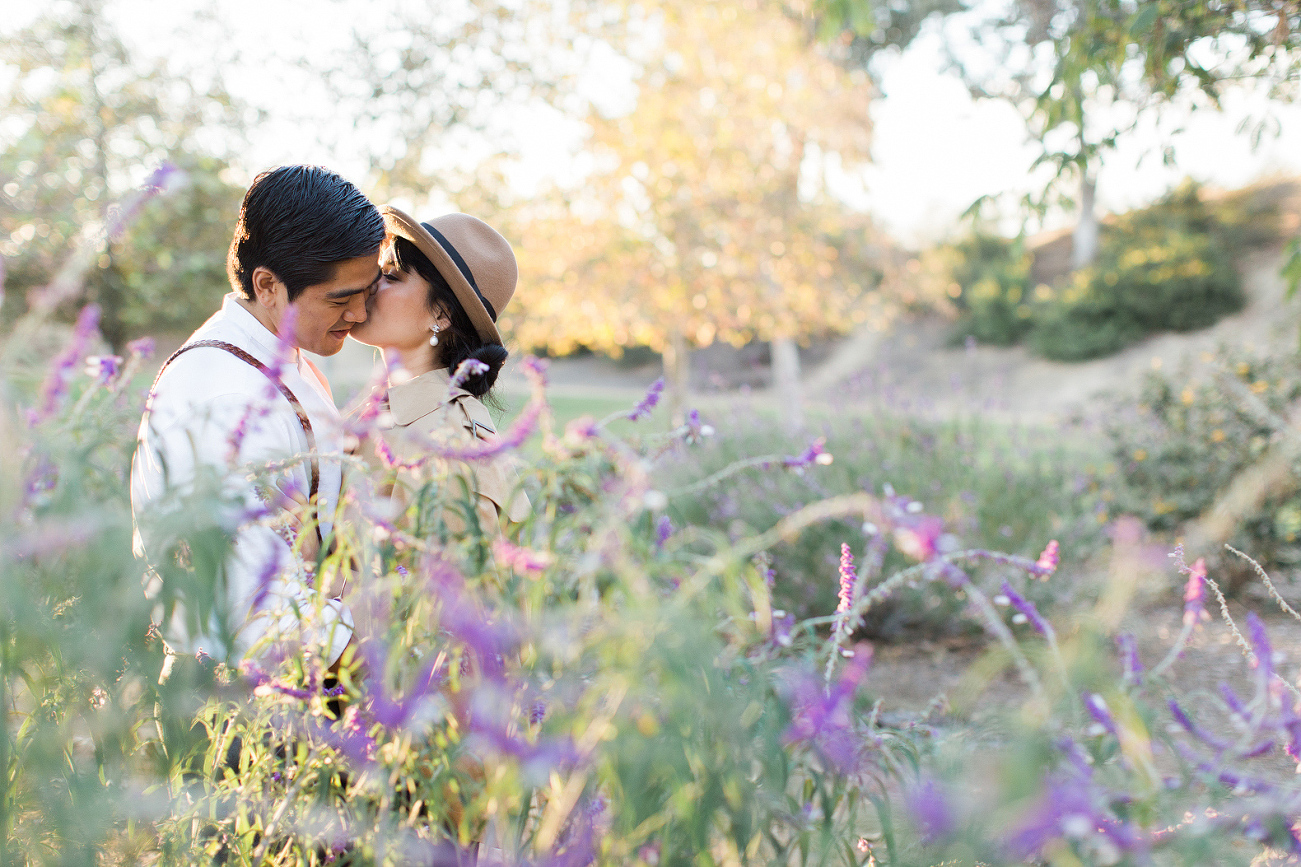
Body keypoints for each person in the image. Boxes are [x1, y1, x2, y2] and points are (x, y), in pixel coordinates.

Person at [131, 165, 385, 669]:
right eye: (341, 298)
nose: (359, 314)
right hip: (237, 697)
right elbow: (253, 601)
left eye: (369, 290)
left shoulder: (278, 356)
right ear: (267, 285)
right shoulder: (226, 395)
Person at [349, 206, 529, 534]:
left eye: (391, 276)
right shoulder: (383, 415)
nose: (369, 283)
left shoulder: (442, 447)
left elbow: (459, 584)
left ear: (441, 314)